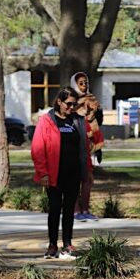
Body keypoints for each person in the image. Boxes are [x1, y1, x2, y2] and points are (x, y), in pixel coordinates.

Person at [31, 87, 92, 259]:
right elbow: (37, 148)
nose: (71, 107)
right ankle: (52, 244)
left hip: (73, 173)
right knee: (55, 208)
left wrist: (87, 170)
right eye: (68, 104)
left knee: (69, 209)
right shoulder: (46, 121)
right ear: (59, 101)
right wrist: (42, 172)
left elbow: (84, 148)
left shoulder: (77, 121)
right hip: (53, 174)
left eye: (74, 104)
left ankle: (67, 243)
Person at [71, 72, 104, 221]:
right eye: (80, 83)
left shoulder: (92, 98)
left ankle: (85, 209)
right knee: (75, 178)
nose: (84, 86)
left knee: (88, 178)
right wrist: (79, 104)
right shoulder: (70, 99)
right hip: (76, 143)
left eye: (85, 83)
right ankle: (75, 209)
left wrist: (97, 110)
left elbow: (99, 121)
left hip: (91, 141)